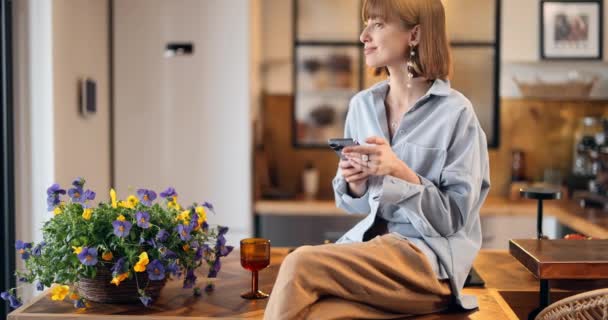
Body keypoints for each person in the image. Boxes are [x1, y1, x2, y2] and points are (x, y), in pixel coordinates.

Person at [264, 0, 490, 318]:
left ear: (414, 35)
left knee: (299, 262)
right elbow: (356, 206)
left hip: (427, 262)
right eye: (367, 23)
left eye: (378, 24)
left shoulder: (457, 113)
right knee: (317, 314)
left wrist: (397, 170)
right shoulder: (361, 106)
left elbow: (453, 220)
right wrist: (355, 185)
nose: (363, 35)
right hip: (373, 254)